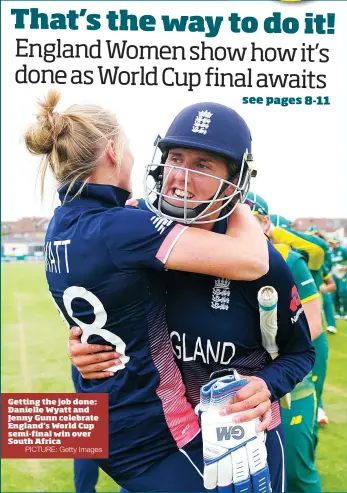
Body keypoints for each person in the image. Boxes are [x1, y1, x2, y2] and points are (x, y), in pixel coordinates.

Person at [25, 92, 270, 493]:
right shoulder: (120, 227)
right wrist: (234, 190)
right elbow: (251, 260)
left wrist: (78, 344)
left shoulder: (62, 224)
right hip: (147, 430)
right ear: (111, 151)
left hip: (106, 414)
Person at [68, 102, 315, 492]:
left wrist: (267, 385)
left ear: (235, 179)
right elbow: (101, 325)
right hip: (158, 454)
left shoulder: (263, 263)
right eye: (175, 158)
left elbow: (301, 353)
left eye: (202, 165)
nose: (180, 176)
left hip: (244, 450)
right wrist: (87, 346)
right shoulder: (133, 239)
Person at [246, 192, 322, 492]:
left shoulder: (288, 259)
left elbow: (313, 323)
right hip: (240, 391)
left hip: (289, 384)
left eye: (250, 220)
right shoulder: (217, 259)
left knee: (296, 474)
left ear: (265, 223)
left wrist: (271, 361)